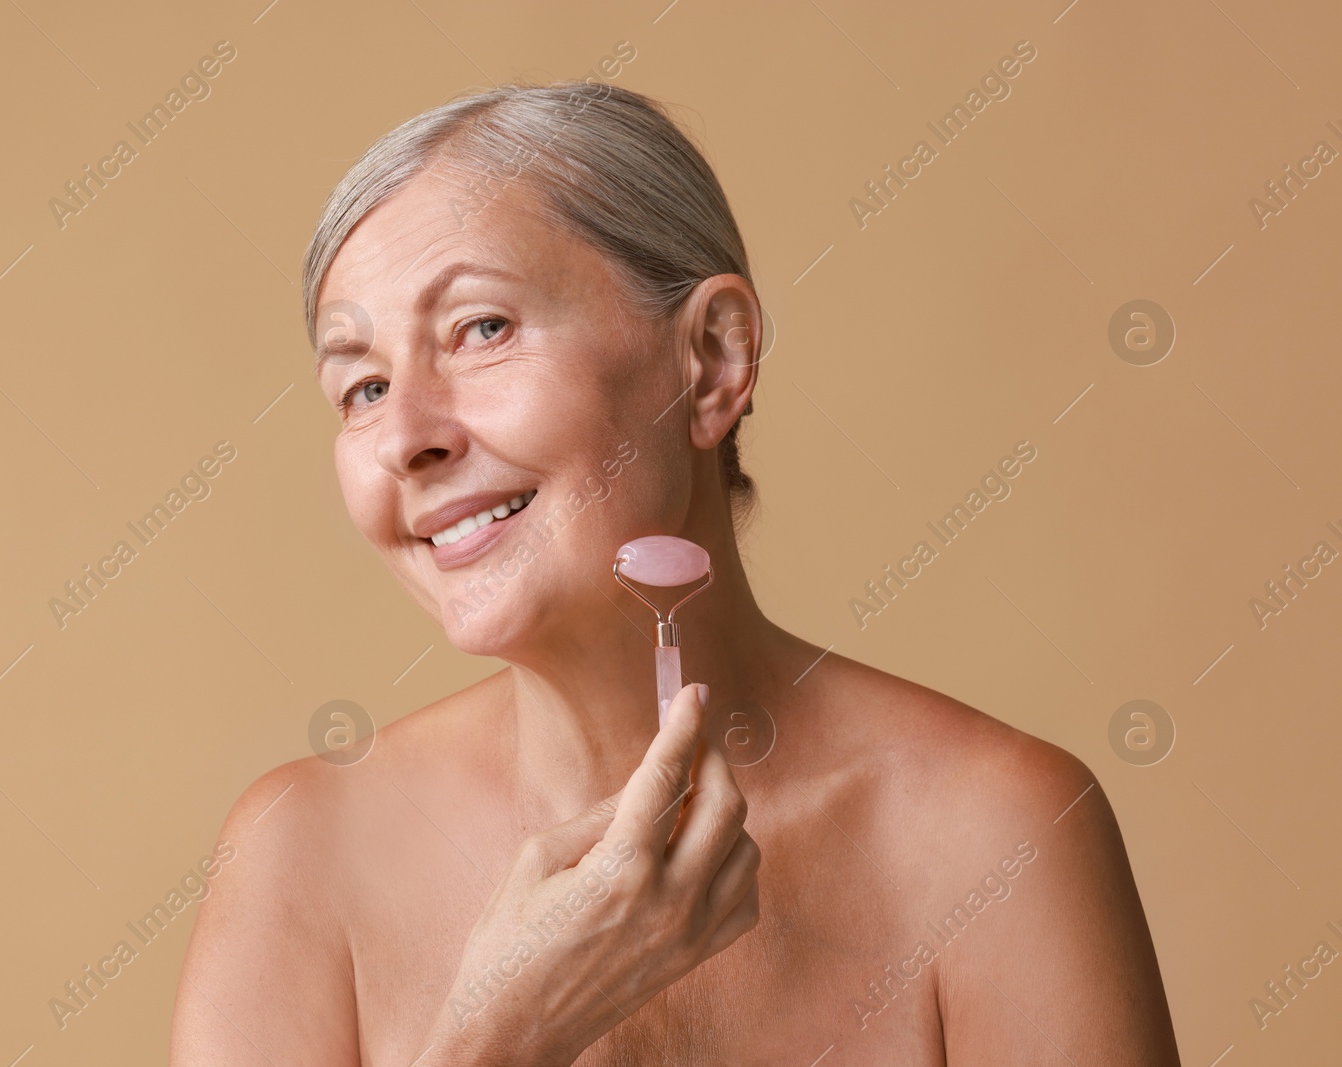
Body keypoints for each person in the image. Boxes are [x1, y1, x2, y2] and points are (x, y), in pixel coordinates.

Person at [169, 81, 1180, 1066]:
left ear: (710, 359)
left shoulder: (993, 833)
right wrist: (503, 1036)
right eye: (363, 384)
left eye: (482, 328)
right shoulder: (296, 855)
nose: (406, 437)